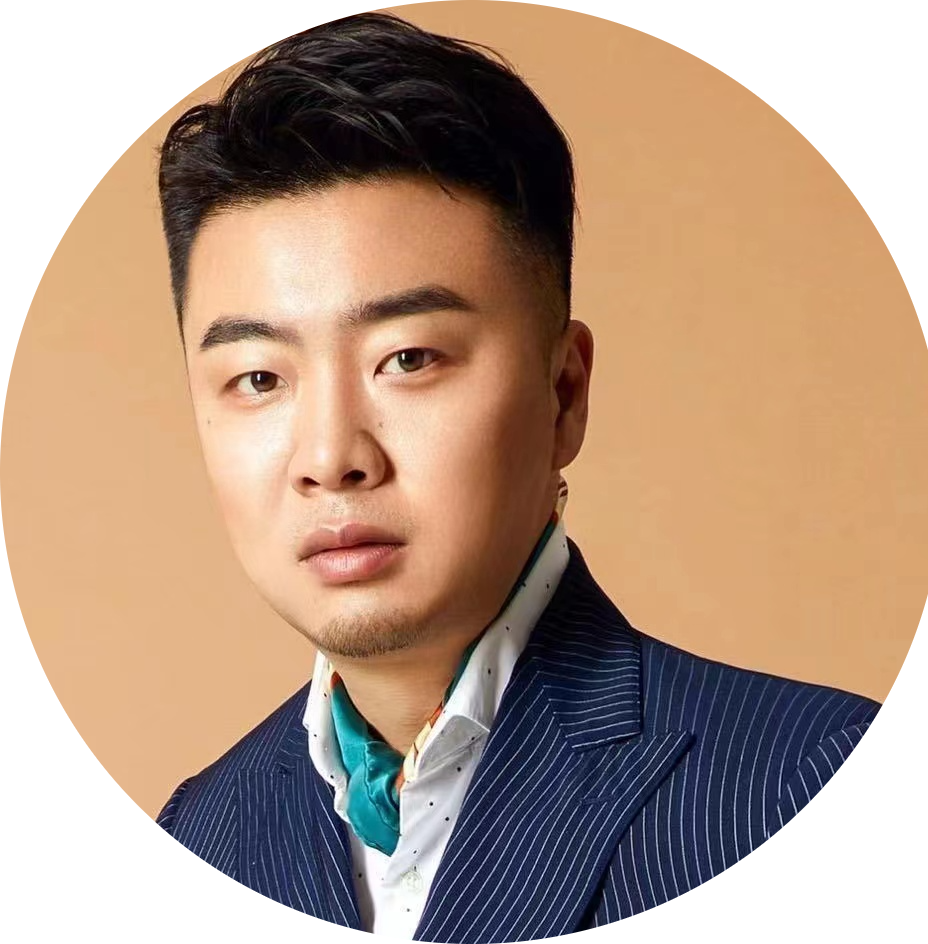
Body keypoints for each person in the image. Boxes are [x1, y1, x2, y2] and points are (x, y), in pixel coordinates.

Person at [155, 13, 881, 936]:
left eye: (409, 358)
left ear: (564, 393)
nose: (331, 458)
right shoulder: (204, 829)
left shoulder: (796, 780)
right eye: (259, 378)